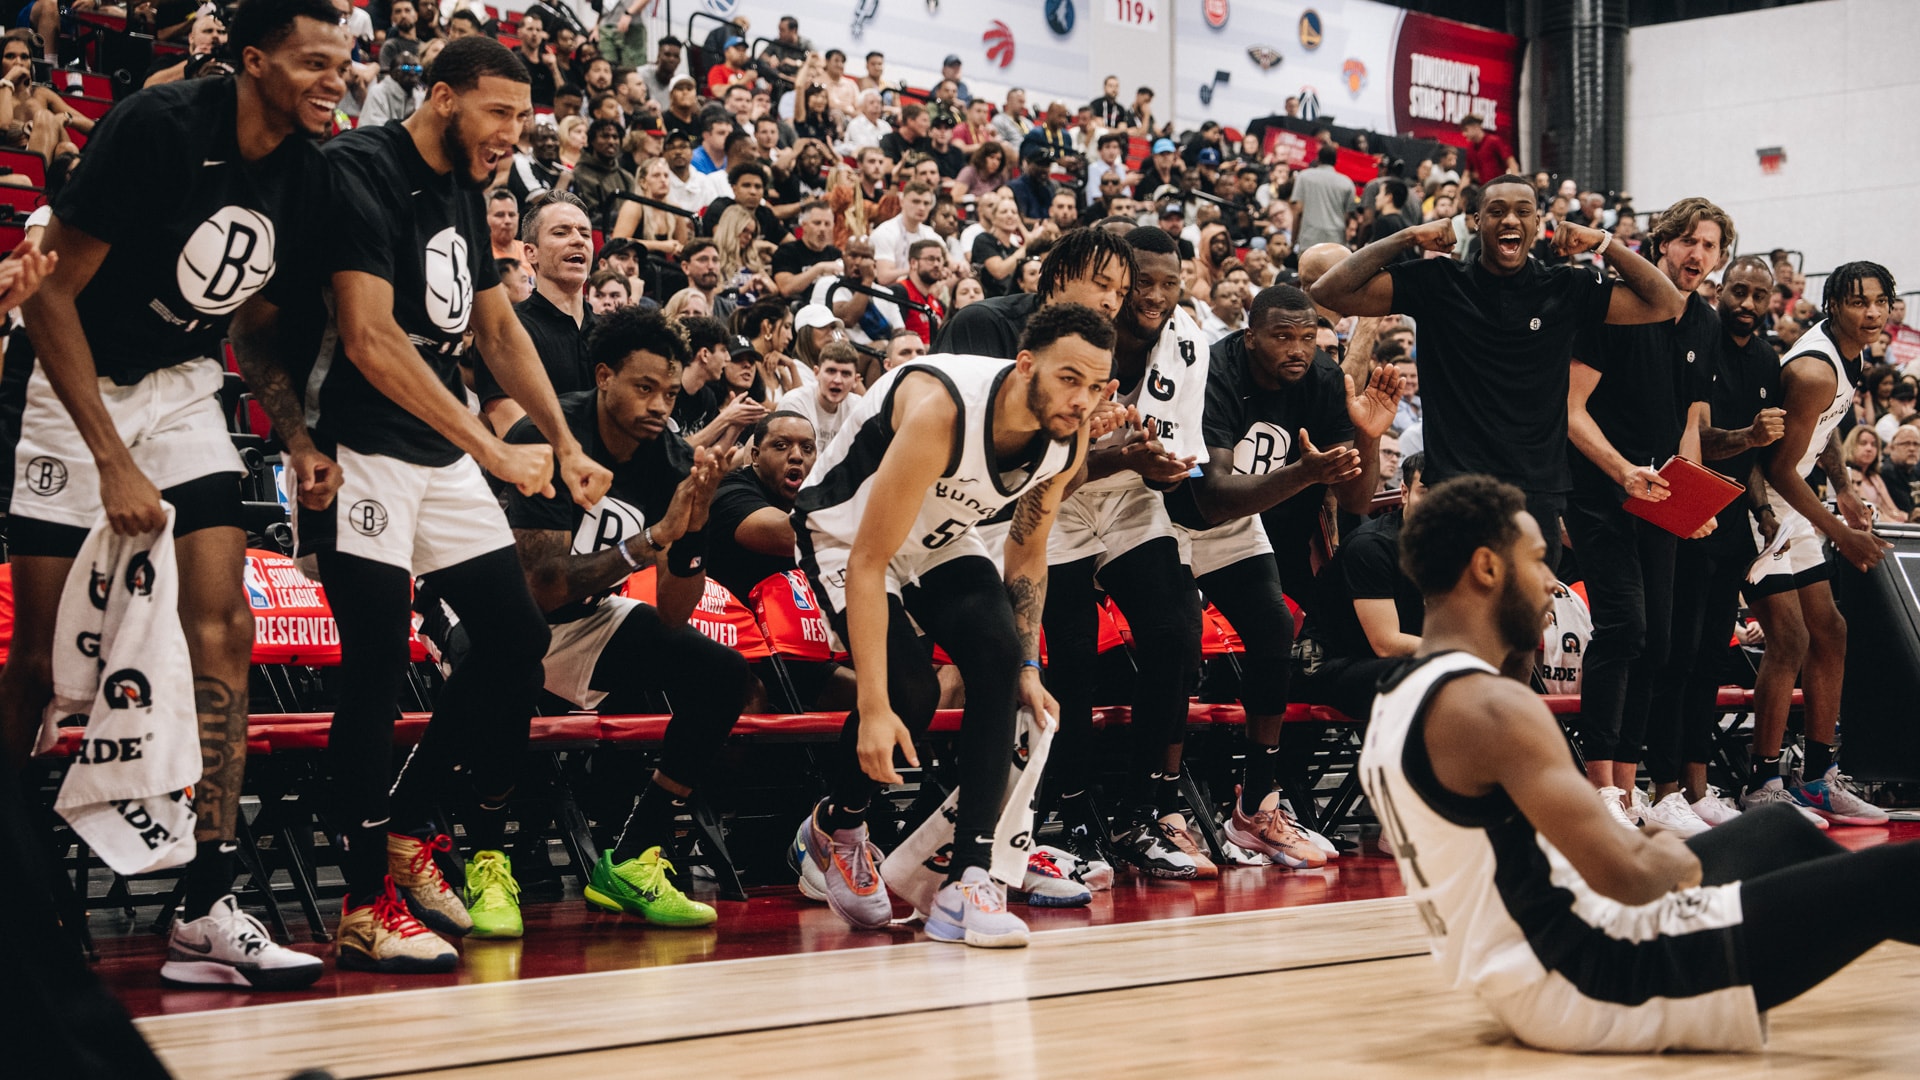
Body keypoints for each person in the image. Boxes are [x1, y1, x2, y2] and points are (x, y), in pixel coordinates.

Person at [1361, 473, 1920, 1054]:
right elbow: (1630, 878)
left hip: (1525, 970)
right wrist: (1664, 854)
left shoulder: (1401, 696)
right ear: (1486, 568)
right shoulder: (1493, 708)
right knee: (1887, 878)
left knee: (1777, 833)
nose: (1552, 582)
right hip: (1596, 977)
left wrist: (1655, 852)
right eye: (1536, 560)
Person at [285, 35, 615, 968]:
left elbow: (494, 323)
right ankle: (360, 900)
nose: (514, 134)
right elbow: (367, 337)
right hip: (353, 444)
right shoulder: (359, 168)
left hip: (436, 448)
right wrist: (493, 447)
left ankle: (408, 824)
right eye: (499, 113)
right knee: (378, 664)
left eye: (523, 118)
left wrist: (560, 441)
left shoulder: (466, 187)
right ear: (438, 98)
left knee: (516, 640)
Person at [9, 0, 317, 995]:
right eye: (315, 64)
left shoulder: (309, 171)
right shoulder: (160, 126)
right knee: (39, 658)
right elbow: (52, 293)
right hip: (73, 380)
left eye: (344, 67)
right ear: (255, 60)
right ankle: (15, 877)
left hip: (183, 384)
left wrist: (300, 433)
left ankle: (205, 901)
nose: (334, 82)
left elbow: (260, 323)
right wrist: (109, 462)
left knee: (223, 626)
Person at [791, 303, 1111, 948]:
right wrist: (875, 707)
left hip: (939, 536)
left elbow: (1026, 551)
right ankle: (836, 826)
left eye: (1097, 385)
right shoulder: (943, 409)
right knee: (910, 694)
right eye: (1070, 378)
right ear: (1026, 365)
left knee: (998, 663)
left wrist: (1027, 664)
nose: (1084, 400)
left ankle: (968, 881)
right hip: (848, 534)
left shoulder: (1066, 436)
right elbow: (869, 559)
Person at [503, 304, 746, 928]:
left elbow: (671, 609)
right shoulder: (552, 434)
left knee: (720, 674)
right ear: (604, 375)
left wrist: (692, 533)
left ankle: (635, 858)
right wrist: (649, 541)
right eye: (644, 388)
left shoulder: (667, 459)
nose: (661, 406)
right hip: (488, 610)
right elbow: (538, 591)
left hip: (583, 615)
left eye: (670, 392)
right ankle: (484, 858)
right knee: (512, 663)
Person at [1310, 175, 1686, 572]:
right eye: (1496, 210)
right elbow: (1329, 292)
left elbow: (1665, 303)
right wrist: (1408, 237)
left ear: (1539, 222)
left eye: (1523, 211)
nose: (1510, 219)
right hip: (1455, 492)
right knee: (1458, 628)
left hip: (1536, 493)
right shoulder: (1439, 283)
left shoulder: (1566, 286)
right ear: (1474, 220)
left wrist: (1602, 243)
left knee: (1524, 630)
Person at [1186, 285, 1400, 870]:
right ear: (1248, 333)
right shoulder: (1215, 368)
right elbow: (1212, 500)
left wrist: (1369, 435)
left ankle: (1259, 804)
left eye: (1307, 337)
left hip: (1265, 539)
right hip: (1180, 523)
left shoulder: (1325, 380)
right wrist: (1303, 474)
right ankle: (1174, 810)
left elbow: (1355, 499)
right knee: (1184, 650)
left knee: (1275, 636)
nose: (1298, 350)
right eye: (1282, 337)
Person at [1563, 198, 1731, 832]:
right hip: (1597, 488)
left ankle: (1632, 797)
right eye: (1688, 241)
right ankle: (1600, 786)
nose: (1697, 255)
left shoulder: (1705, 324)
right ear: (1661, 244)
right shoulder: (1618, 306)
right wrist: (1622, 472)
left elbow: (1690, 424)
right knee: (1625, 629)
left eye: (1710, 246)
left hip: (1657, 495)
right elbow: (1571, 411)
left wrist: (1691, 498)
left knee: (1659, 642)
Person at [1738, 262, 1897, 825]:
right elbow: (1780, 468)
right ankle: (1763, 784)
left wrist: (1847, 493)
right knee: (1789, 638)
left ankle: (1819, 779)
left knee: (1831, 631)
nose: (1871, 312)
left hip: (1793, 499)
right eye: (1858, 302)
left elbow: (1823, 433)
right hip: (1755, 500)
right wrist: (1843, 534)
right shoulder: (1813, 370)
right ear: (1832, 303)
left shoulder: (1848, 355)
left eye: (1880, 301)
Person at [1646, 255, 1785, 832]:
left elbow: (1753, 454)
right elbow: (1699, 437)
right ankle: (1664, 787)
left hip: (1730, 524)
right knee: (1674, 656)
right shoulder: (1698, 333)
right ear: (1720, 289)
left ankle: (1699, 789)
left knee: (1709, 658)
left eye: (1759, 295)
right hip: (1684, 512)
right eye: (1739, 291)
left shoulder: (1767, 356)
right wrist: (1748, 438)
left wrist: (1759, 508)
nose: (1748, 303)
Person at [472, 193, 597, 434]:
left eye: (585, 233)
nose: (578, 240)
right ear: (531, 253)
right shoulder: (506, 330)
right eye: (561, 232)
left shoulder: (614, 333)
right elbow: (514, 431)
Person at [937, 226, 1134, 358]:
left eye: (1121, 293)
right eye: (1101, 284)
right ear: (1061, 274)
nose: (1112, 303)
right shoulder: (984, 324)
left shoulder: (1100, 352)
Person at [706, 410, 816, 603]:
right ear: (755, 456)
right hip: (728, 624)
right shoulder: (730, 489)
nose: (797, 456)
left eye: (807, 448)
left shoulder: (812, 493)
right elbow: (788, 536)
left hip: (790, 623)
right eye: (781, 446)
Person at [777, 340, 861, 447]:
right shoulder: (794, 403)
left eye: (845, 374)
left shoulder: (858, 406)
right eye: (831, 371)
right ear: (816, 373)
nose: (837, 380)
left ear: (856, 381)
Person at [1289, 144, 1354, 251]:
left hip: (1309, 239)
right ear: (1335, 161)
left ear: (1318, 159)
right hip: (1335, 241)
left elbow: (1298, 211)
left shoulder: (1304, 177)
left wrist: (1292, 241)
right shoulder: (1347, 183)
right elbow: (1348, 216)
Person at [1459, 113, 1517, 185]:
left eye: (1466, 130)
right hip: (1485, 190)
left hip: (1500, 187)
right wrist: (1459, 194)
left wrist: (1515, 186)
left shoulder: (1494, 141)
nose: (1464, 134)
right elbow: (1466, 174)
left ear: (1476, 127)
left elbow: (1512, 163)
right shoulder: (1470, 148)